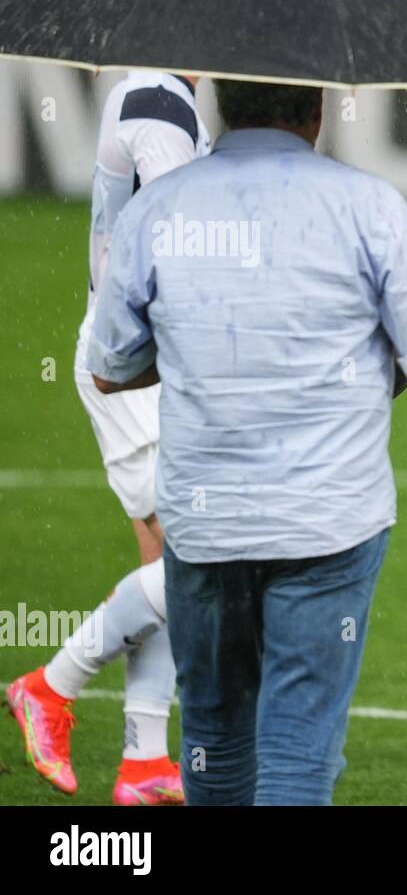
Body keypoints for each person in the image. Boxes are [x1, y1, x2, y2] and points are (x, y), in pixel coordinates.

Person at [87, 79, 407, 806]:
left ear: (219, 108)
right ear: (317, 112)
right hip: (328, 523)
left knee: (214, 733)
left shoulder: (160, 205)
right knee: (298, 746)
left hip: (205, 519)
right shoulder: (368, 204)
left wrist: (205, 345)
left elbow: (111, 365)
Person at [7, 70, 209, 804]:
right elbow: (179, 241)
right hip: (139, 369)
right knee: (199, 565)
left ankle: (145, 759)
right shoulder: (159, 101)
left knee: (170, 569)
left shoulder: (155, 96)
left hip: (127, 361)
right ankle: (50, 685)